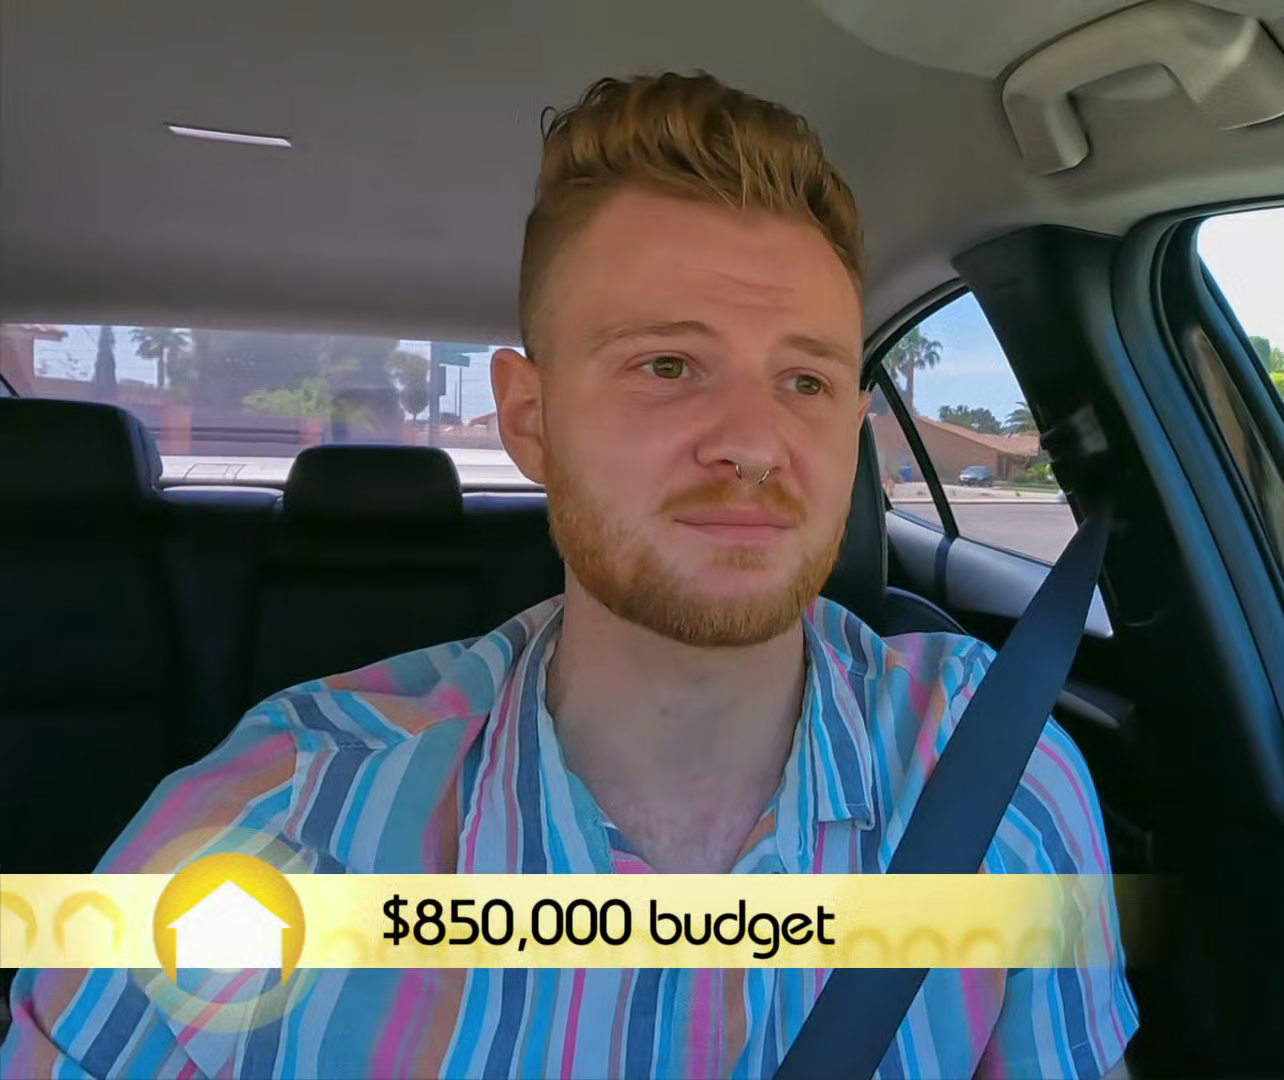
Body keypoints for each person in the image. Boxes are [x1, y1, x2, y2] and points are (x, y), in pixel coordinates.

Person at [0, 73, 1136, 1078]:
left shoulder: (1001, 780)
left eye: (806, 381)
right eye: (668, 364)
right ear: (530, 419)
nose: (754, 441)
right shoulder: (268, 828)